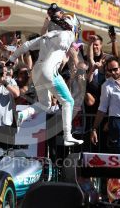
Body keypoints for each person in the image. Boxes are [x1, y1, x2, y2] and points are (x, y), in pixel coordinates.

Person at [7, 13, 83, 146]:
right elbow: (67, 39)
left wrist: (11, 59)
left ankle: (22, 115)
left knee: (45, 104)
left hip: (37, 71)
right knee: (68, 102)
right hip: (49, 71)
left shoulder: (48, 35)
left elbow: (26, 46)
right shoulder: (67, 34)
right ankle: (67, 136)